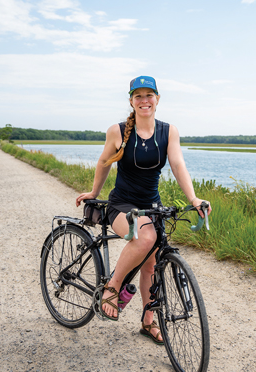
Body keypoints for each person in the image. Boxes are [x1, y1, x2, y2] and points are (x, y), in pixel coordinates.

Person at [76, 76, 212, 344]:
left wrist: (194, 198)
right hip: (122, 205)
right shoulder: (117, 131)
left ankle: (149, 322)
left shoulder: (168, 131)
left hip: (152, 204)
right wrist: (94, 192)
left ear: (157, 99)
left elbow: (178, 165)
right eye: (138, 96)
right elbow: (104, 162)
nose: (144, 100)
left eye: (149, 95)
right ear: (131, 101)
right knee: (146, 237)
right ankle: (112, 286)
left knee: (151, 264)